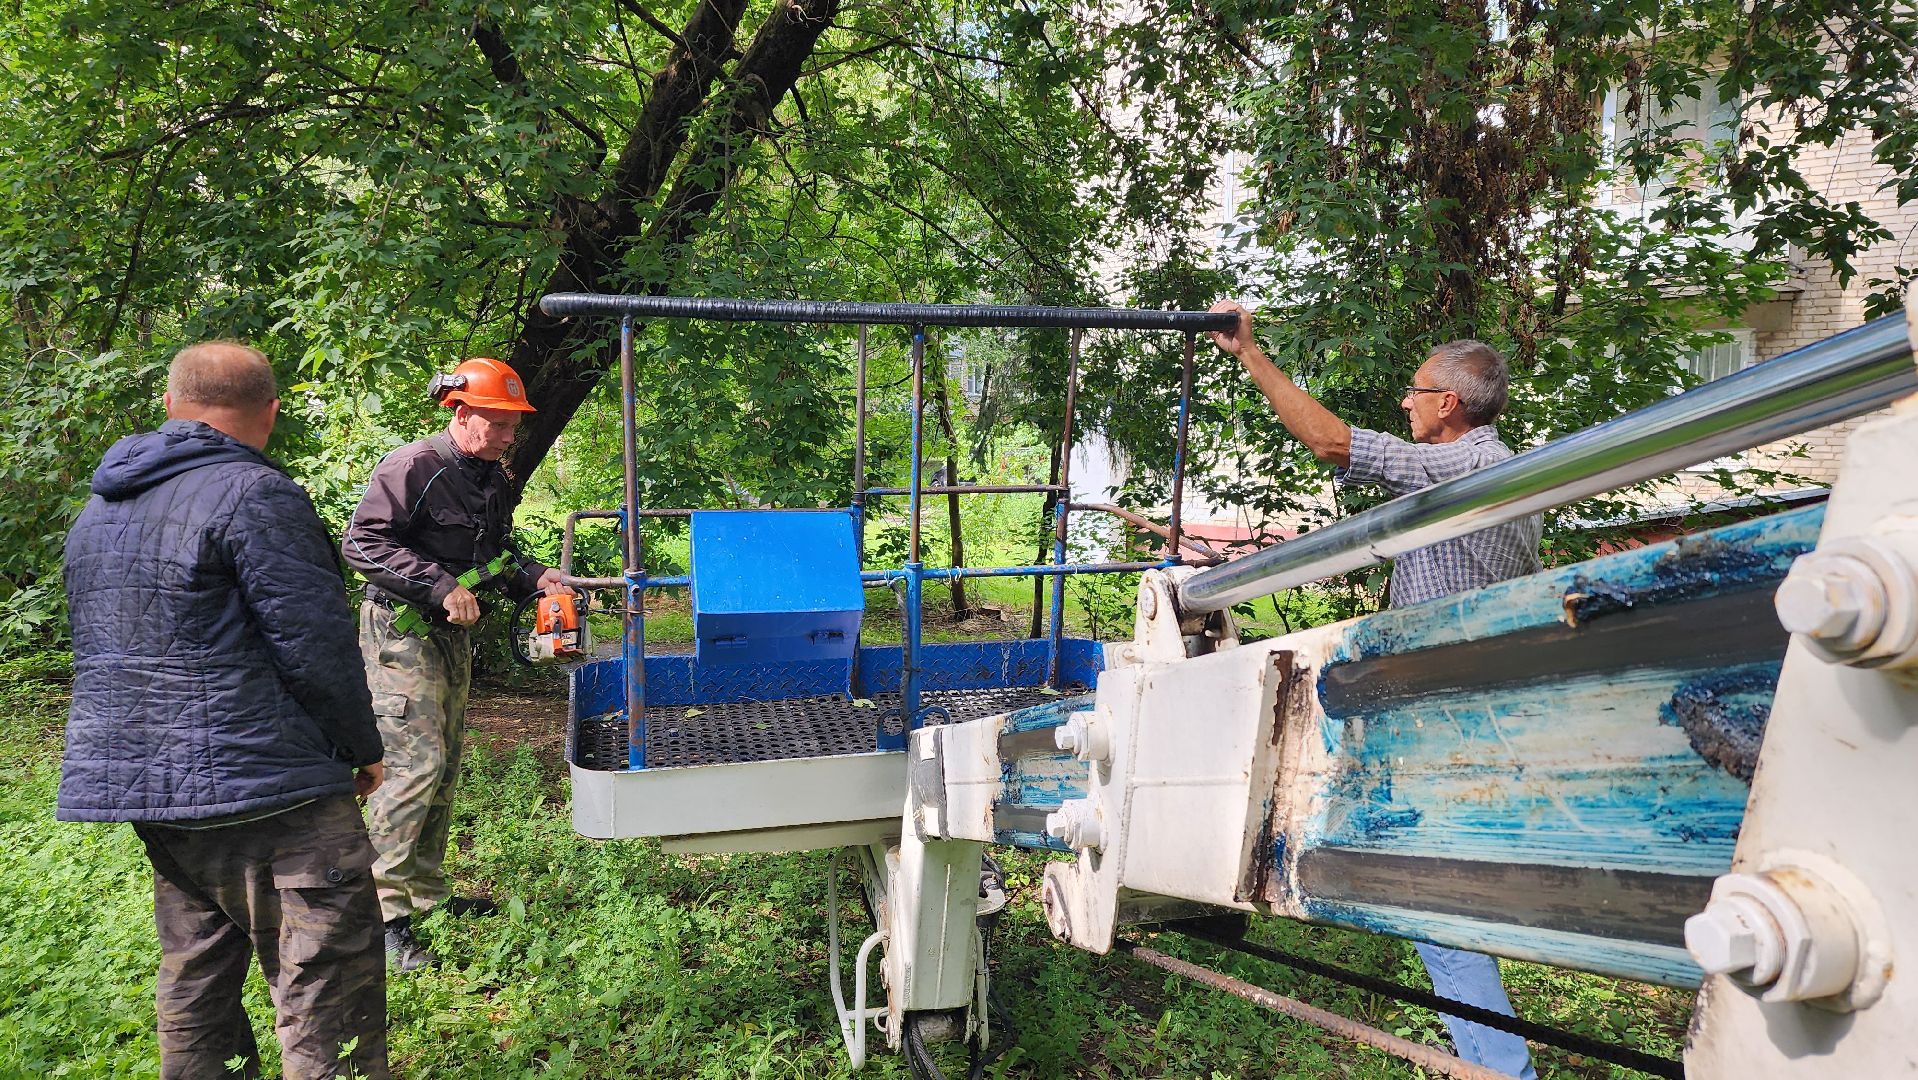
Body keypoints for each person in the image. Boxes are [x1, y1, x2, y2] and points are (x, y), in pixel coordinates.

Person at [1209, 300, 1542, 1080]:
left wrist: (1249, 356)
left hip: (1433, 714)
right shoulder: (1516, 477)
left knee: (1431, 896)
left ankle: (1501, 1067)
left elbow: (1331, 442)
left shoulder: (1458, 465)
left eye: (1416, 391)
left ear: (1449, 405)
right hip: (1474, 705)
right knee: (1439, 875)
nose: (1406, 400)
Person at [59, 341, 389, 1080]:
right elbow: (314, 643)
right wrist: (361, 747)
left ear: (171, 405)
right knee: (326, 983)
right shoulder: (257, 494)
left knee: (196, 971)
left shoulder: (102, 505)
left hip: (153, 790)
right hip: (273, 791)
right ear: (270, 413)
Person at [341, 356, 566, 971]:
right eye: (496, 422)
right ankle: (381, 913)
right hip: (401, 631)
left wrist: (532, 578)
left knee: (445, 762)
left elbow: (489, 555)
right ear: (462, 415)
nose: (506, 435)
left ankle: (426, 893)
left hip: (449, 636)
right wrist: (437, 586)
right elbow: (361, 542)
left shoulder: (490, 478)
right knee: (413, 765)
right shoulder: (415, 466)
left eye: (512, 424)